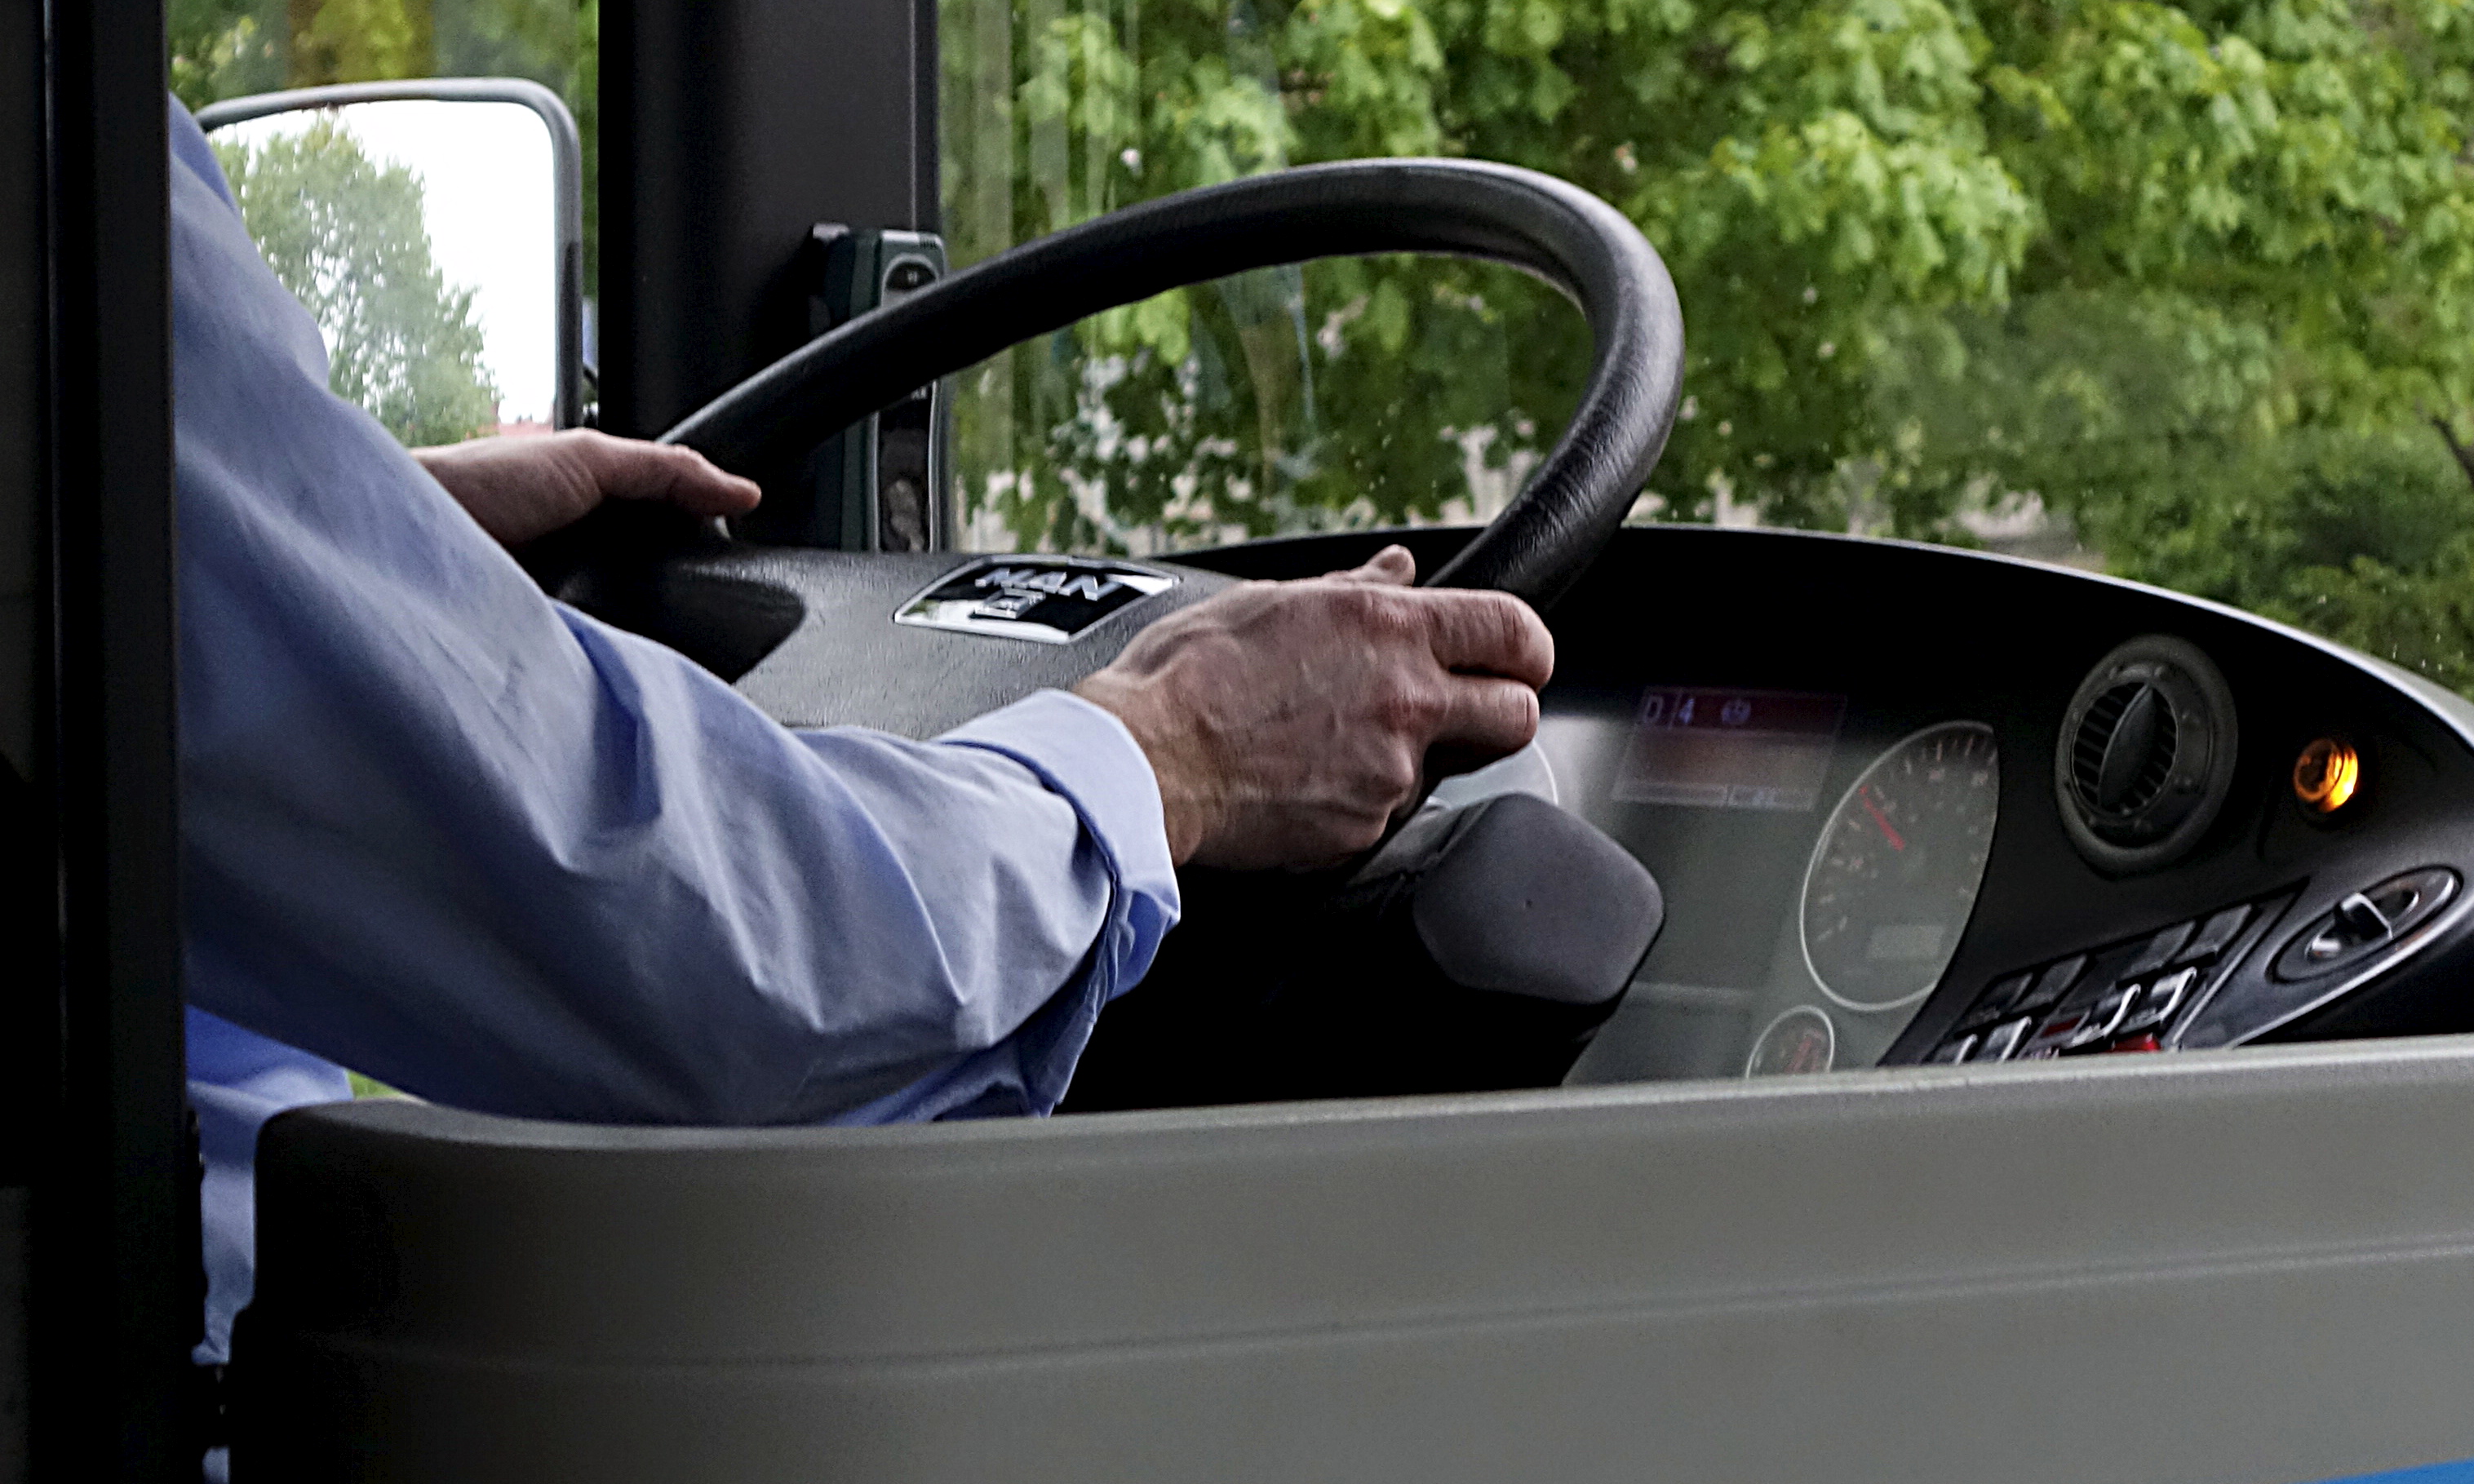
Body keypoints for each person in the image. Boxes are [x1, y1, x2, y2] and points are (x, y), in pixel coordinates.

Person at [171, 99, 1554, 1411]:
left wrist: (382, 541)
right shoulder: (78, 171)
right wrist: (1176, 752)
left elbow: (195, 611)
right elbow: (698, 957)